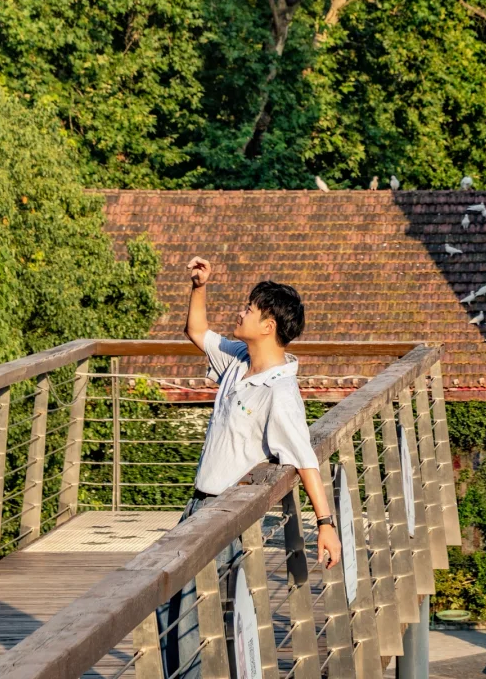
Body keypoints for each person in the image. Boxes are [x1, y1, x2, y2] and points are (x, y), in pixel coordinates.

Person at [159, 256, 342, 676]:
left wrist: (326, 524)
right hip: (197, 508)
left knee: (190, 619)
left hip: (226, 515)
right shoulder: (239, 359)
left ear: (268, 326)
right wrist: (199, 286)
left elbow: (303, 458)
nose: (240, 312)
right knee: (175, 614)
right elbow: (197, 331)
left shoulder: (280, 392)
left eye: (248, 308)